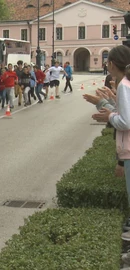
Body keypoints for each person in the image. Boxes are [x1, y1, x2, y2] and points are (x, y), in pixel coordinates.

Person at [89, 46, 130, 257]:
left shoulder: (124, 84)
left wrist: (109, 116)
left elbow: (126, 121)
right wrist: (111, 103)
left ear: (112, 64)